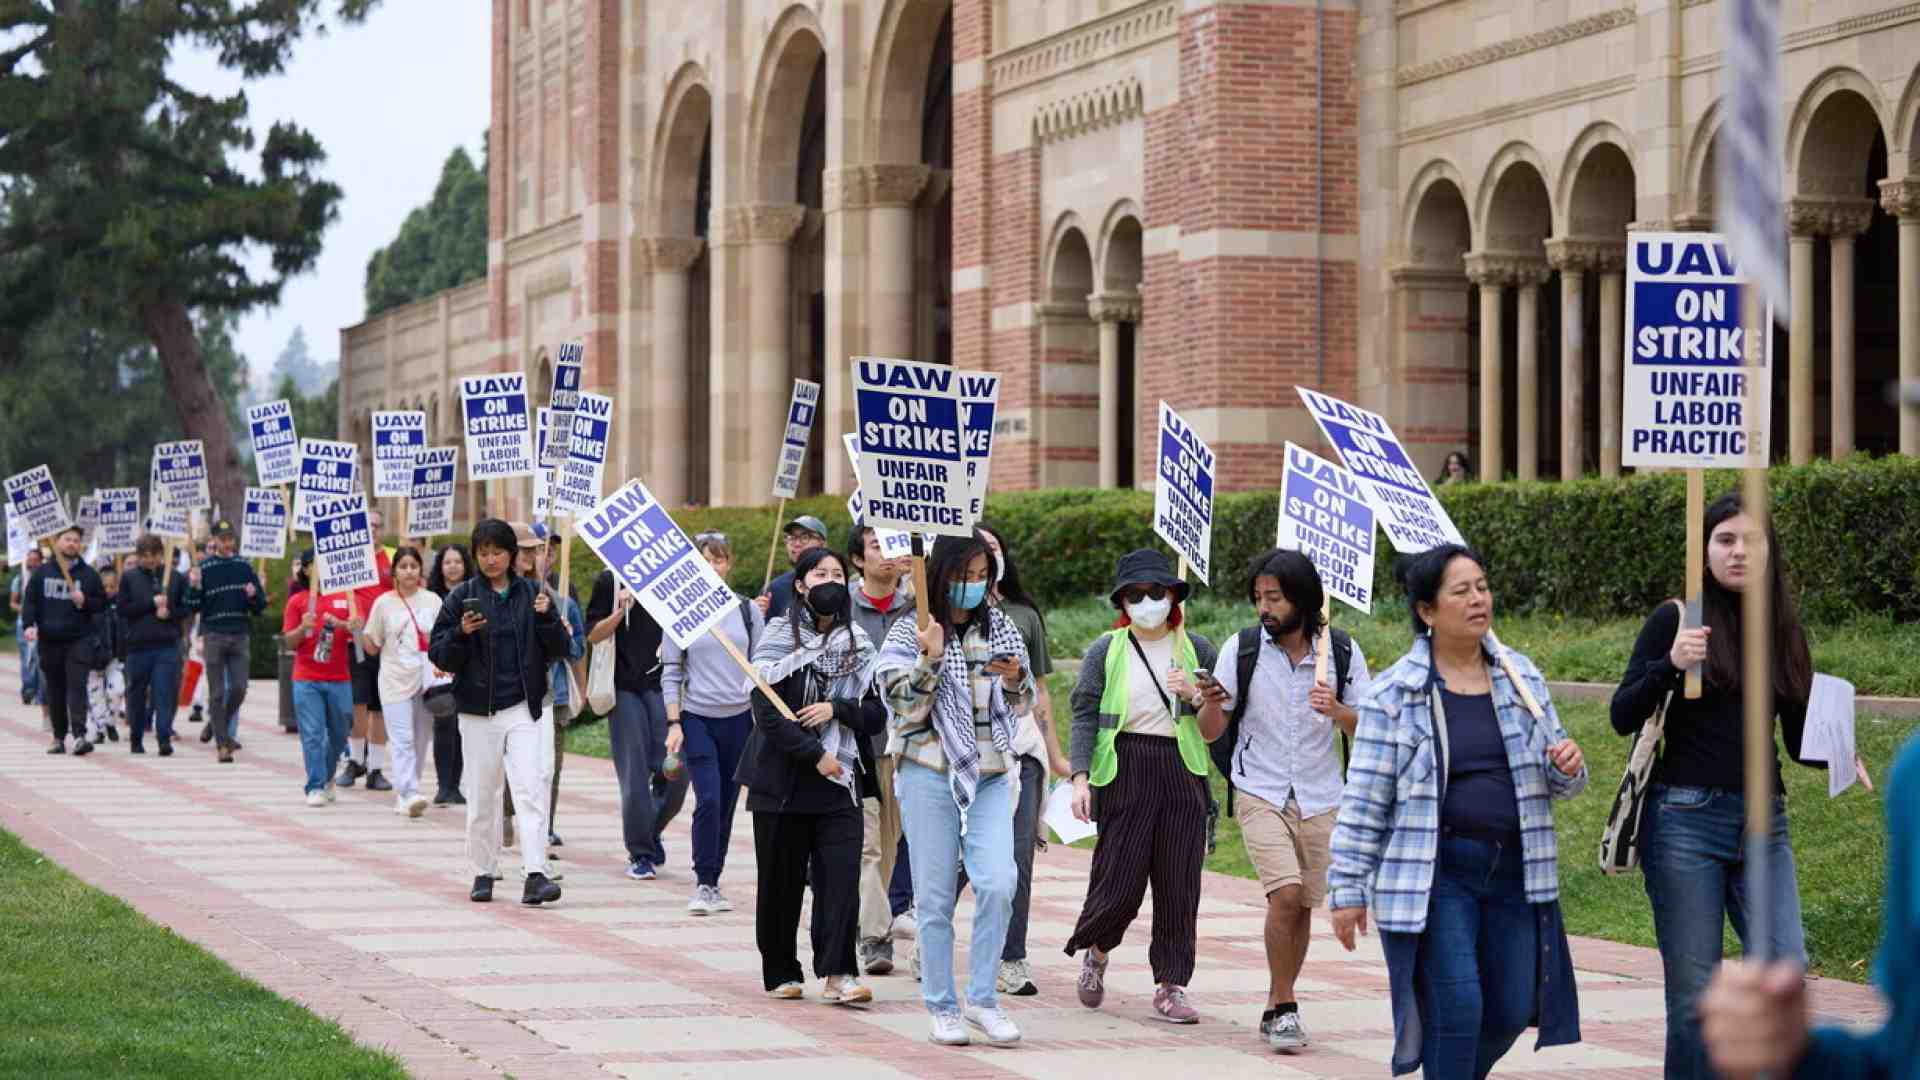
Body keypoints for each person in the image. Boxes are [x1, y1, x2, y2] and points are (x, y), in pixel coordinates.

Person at [1327, 544, 1589, 1079]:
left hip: (1516, 872)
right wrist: (1347, 890)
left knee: (1513, 1008)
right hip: (1438, 874)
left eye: (1483, 587)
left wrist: (1566, 765)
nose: (1478, 600)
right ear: (1427, 611)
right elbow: (1364, 799)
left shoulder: (1522, 678)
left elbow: (1563, 780)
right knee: (1458, 1009)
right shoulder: (1394, 694)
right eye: (1461, 591)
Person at [1609, 491, 1821, 1080]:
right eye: (1725, 539)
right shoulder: (1677, 619)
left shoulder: (1781, 628)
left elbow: (1801, 742)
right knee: (1695, 998)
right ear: (1704, 551)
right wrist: (1670, 664)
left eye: (1751, 540)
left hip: (1763, 821)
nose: (1738, 551)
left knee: (1784, 970)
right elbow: (1622, 715)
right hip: (1683, 821)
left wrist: (1838, 749)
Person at [1197, 548, 1371, 1051]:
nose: (1263, 608)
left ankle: (1276, 1005)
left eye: (1273, 597)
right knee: (1285, 895)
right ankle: (1287, 1004)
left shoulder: (1340, 651)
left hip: (1322, 794)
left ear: (1302, 598)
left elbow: (1371, 724)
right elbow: (1213, 731)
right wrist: (1208, 704)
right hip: (1261, 788)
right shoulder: (1243, 648)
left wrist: (1337, 709)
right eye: (1258, 598)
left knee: (1303, 908)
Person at [874, 531, 1033, 1048]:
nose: (973, 586)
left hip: (988, 772)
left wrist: (1014, 681)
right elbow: (901, 707)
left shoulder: (1001, 624)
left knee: (997, 882)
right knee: (935, 898)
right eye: (964, 576)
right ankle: (942, 1006)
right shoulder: (908, 630)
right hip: (927, 770)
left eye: (982, 576)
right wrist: (931, 660)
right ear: (940, 575)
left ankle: (983, 999)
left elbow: (1022, 699)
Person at [1698, 734, 1919, 1080]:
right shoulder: (1914, 776)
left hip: (1764, 815)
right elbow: (1903, 1052)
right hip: (1686, 814)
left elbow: (1798, 722)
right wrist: (1801, 1055)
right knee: (1695, 998)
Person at [1062, 549, 1223, 1025]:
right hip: (1125, 768)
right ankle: (1096, 950)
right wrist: (1079, 777)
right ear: (1122, 602)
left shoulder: (1198, 649)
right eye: (1136, 594)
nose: (1147, 601)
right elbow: (1085, 715)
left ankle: (1171, 984)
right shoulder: (1105, 649)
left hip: (1182, 770)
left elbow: (1221, 716)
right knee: (1118, 879)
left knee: (1179, 882)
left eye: (1157, 592)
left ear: (1173, 596)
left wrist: (1194, 695)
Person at [738, 545, 879, 1005]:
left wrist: (837, 708)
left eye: (838, 574)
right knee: (780, 882)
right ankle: (780, 969)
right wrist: (812, 753)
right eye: (820, 574)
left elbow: (876, 712)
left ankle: (839, 972)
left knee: (840, 880)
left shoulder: (858, 643)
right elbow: (766, 710)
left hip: (840, 781)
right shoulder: (779, 636)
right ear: (800, 585)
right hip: (783, 781)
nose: (830, 582)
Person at [427, 518, 570, 906]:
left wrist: (547, 618)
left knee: (530, 789)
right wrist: (461, 633)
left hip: (525, 707)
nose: (491, 560)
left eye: (498, 552)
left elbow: (560, 649)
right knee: (482, 794)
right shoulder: (462, 597)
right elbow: (439, 654)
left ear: (512, 556)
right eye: (484, 553)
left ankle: (536, 874)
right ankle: (483, 870)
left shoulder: (533, 594)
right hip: (477, 710)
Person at [977, 522, 1071, 997]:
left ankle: (1011, 958)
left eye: (994, 547)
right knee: (958, 856)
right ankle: (929, 938)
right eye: (978, 549)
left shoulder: (1024, 615)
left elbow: (1041, 691)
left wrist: (1055, 755)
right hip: (967, 752)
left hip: (1022, 749)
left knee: (1017, 859)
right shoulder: (946, 616)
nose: (988, 557)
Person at [663, 531, 762, 916]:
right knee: (708, 799)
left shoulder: (746, 610)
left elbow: (762, 663)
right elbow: (671, 671)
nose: (713, 567)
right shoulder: (680, 614)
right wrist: (674, 721)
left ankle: (714, 880)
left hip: (739, 720)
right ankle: (703, 881)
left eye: (719, 560)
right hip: (697, 718)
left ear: (729, 564)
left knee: (726, 805)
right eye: (706, 559)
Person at [842, 522, 915, 974]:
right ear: (857, 559)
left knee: (891, 845)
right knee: (867, 845)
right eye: (876, 545)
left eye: (895, 545)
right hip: (857, 746)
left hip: (904, 745)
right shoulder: (843, 607)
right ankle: (874, 937)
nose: (887, 554)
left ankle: (868, 918)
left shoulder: (918, 606)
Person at [587, 559, 684, 880]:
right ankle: (640, 852)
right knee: (634, 776)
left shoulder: (670, 580)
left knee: (676, 773)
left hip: (663, 688)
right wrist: (619, 609)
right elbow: (593, 635)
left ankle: (650, 830)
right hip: (624, 688)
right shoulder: (609, 581)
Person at [502, 523, 582, 853]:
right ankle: (506, 813)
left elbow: (575, 650)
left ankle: (541, 833)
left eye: (536, 550)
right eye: (524, 550)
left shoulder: (561, 602)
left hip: (553, 696)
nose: (532, 556)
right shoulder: (499, 599)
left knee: (549, 768)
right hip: (511, 698)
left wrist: (560, 632)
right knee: (515, 767)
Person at [361, 546, 443, 817]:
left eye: (414, 566)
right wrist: (358, 630)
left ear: (421, 570)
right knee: (403, 739)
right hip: (395, 680)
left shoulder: (433, 601)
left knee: (420, 740)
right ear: (394, 571)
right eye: (404, 566)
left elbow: (445, 637)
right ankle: (407, 792)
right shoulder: (383, 603)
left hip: (427, 680)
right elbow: (372, 646)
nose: (409, 571)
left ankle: (411, 790)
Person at [22, 525, 108, 756]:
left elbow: (102, 604)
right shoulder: (42, 572)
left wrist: (85, 601)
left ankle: (80, 735)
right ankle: (59, 737)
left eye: (76, 540)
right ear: (57, 542)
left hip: (79, 639)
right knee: (55, 689)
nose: (72, 543)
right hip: (50, 640)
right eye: (67, 539)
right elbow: (30, 601)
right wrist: (29, 625)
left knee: (77, 686)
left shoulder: (89, 574)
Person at [282, 548, 359, 806]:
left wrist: (351, 626)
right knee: (313, 733)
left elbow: (359, 643)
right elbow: (289, 643)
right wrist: (302, 628)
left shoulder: (345, 597)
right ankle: (315, 785)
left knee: (340, 731)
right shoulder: (298, 601)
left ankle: (327, 778)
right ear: (305, 569)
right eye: (316, 564)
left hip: (339, 677)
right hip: (307, 678)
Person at [185, 519, 266, 763]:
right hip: (214, 635)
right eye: (222, 539)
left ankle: (215, 722)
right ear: (214, 541)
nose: (227, 543)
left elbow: (259, 607)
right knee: (217, 692)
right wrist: (195, 586)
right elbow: (192, 606)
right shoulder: (205, 568)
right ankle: (222, 745)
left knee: (239, 688)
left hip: (239, 634)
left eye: (230, 538)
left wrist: (254, 594)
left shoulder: (244, 566)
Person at [339, 507, 395, 791]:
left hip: (386, 644)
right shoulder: (347, 560)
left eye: (376, 525)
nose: (372, 530)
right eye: (367, 525)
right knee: (358, 704)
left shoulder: (393, 558)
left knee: (379, 707)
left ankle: (375, 768)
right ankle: (355, 760)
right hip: (358, 641)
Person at [118, 535, 189, 756]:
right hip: (138, 646)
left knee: (164, 692)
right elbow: (123, 609)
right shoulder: (129, 578)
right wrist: (150, 604)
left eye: (154, 555)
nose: (149, 560)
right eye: (144, 556)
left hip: (166, 645)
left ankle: (163, 738)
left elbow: (186, 608)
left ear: (161, 555)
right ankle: (136, 738)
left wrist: (170, 613)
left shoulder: (175, 578)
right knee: (136, 694)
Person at [426, 543, 471, 804]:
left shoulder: (475, 593)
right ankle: (444, 785)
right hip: (437, 671)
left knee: (461, 729)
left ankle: (455, 784)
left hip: (465, 670)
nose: (453, 567)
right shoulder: (430, 596)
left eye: (458, 561)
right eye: (447, 562)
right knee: (444, 723)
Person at [756, 515, 828, 622]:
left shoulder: (836, 582)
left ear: (822, 543)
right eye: (792, 538)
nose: (797, 544)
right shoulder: (775, 588)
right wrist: (756, 616)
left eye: (805, 537)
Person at [85, 563, 127, 746]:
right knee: (96, 695)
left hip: (115, 656)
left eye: (112, 586)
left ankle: (109, 721)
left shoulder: (122, 604)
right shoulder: (91, 604)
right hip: (94, 656)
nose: (108, 590)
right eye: (105, 586)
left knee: (117, 689)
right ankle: (100, 728)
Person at [12, 548, 45, 712]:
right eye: (29, 559)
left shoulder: (44, 579)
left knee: (39, 657)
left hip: (41, 623)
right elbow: (13, 602)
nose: (31, 563)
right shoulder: (20, 579)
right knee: (27, 658)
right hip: (23, 624)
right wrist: (25, 610)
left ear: (41, 561)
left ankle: (40, 693)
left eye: (35, 560)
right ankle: (28, 690)